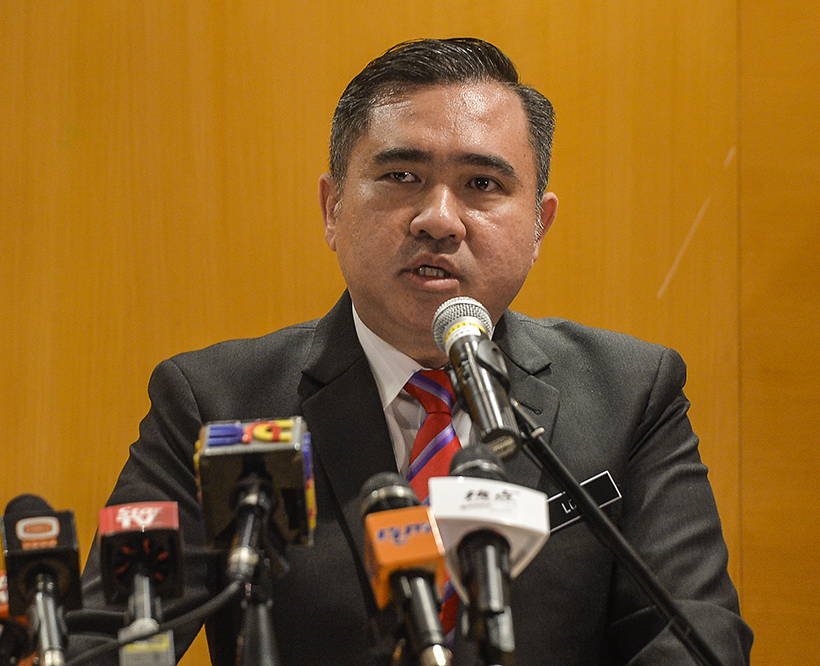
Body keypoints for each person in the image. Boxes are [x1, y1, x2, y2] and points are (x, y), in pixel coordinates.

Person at [71, 38, 753, 665]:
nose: (439, 219)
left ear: (539, 224)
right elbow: (108, 641)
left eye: (483, 185)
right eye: (401, 176)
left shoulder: (631, 394)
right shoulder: (215, 402)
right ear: (332, 207)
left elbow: (695, 638)